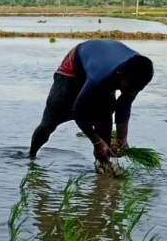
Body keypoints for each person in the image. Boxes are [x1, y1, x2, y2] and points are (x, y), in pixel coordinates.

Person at [28, 39, 154, 167]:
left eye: (136, 90)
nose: (132, 93)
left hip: (105, 67)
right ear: (120, 75)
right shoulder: (99, 77)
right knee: (49, 122)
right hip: (73, 72)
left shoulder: (140, 74)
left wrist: (122, 138)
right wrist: (96, 142)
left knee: (104, 119)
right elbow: (77, 112)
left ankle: (103, 170)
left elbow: (124, 104)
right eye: (129, 88)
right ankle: (31, 157)